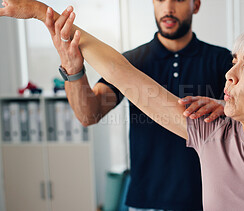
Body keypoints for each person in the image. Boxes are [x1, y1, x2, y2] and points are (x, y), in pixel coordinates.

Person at [1, 2, 244, 210]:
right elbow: (119, 73)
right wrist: (37, 10)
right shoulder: (211, 134)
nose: (230, 73)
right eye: (235, 62)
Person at [0, 0, 231, 210]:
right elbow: (89, 113)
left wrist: (226, 105)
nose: (168, 8)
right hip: (145, 201)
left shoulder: (223, 62)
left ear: (196, 5)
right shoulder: (132, 62)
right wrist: (73, 70)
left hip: (204, 200)